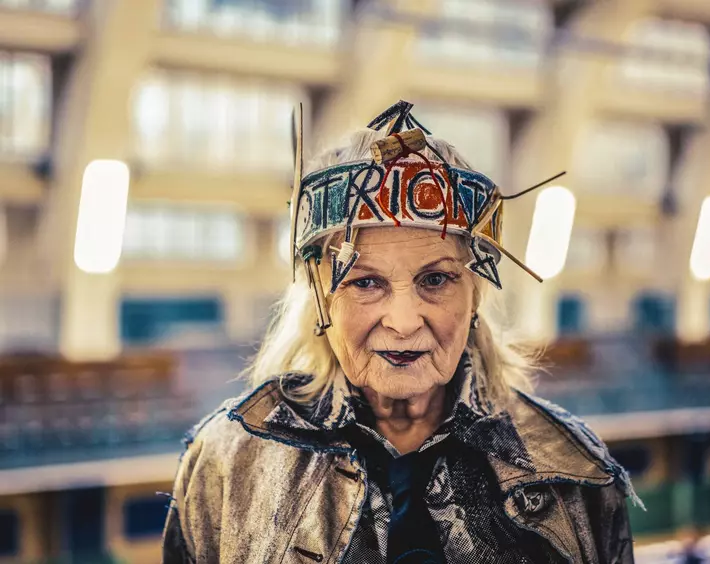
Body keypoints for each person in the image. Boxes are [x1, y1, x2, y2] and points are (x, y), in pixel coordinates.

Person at [161, 101, 640, 563]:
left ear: (474, 291)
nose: (404, 321)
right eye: (365, 282)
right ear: (321, 294)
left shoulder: (576, 473)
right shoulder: (227, 461)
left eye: (435, 279)